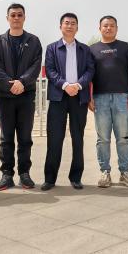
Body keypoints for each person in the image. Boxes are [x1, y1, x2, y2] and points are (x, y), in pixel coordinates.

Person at [0, 3, 42, 190]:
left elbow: (35, 67)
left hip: (26, 95)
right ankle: (6, 174)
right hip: (5, 96)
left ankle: (24, 174)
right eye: (13, 15)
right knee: (6, 138)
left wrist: (22, 82)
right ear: (7, 18)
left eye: (20, 15)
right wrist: (10, 85)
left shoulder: (34, 41)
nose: (16, 18)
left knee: (25, 137)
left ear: (24, 18)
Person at [41, 13, 95, 191]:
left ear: (77, 27)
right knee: (54, 139)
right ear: (60, 26)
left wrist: (78, 85)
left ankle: (76, 177)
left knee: (78, 138)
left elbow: (90, 70)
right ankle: (50, 179)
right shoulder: (52, 48)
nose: (70, 26)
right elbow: (50, 70)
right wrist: (65, 85)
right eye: (66, 23)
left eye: (73, 23)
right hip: (58, 97)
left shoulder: (85, 49)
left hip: (79, 97)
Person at [89, 15, 128, 188]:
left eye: (112, 25)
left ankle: (125, 172)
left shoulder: (125, 47)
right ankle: (105, 172)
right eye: (105, 25)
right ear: (100, 28)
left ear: (116, 28)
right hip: (100, 98)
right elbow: (88, 75)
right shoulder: (92, 49)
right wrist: (89, 97)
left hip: (122, 98)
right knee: (102, 138)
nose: (108, 28)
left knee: (123, 138)